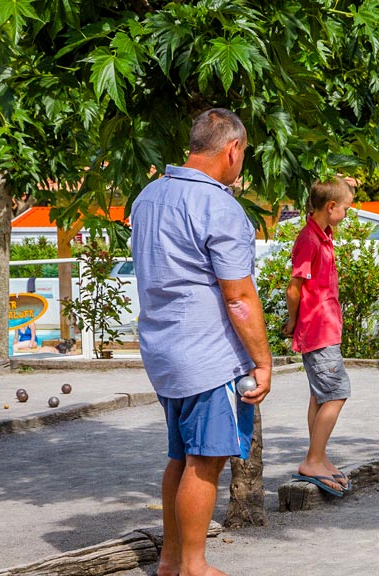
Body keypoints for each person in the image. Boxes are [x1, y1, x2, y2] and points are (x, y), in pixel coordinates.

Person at [131, 108, 272, 576]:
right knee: (206, 460)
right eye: (244, 154)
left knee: (179, 457)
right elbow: (239, 297)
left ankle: (171, 562)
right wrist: (263, 361)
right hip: (208, 355)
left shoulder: (148, 197)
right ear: (232, 149)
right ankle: (195, 566)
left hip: (164, 351)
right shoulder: (220, 206)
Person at [282, 176, 354, 498]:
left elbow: (333, 198)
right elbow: (294, 288)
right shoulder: (309, 240)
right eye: (345, 209)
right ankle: (312, 460)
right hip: (317, 329)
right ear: (330, 207)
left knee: (319, 395)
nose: (347, 215)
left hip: (325, 327)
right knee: (337, 392)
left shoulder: (323, 233)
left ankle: (319, 455)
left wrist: (344, 184)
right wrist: (293, 321)